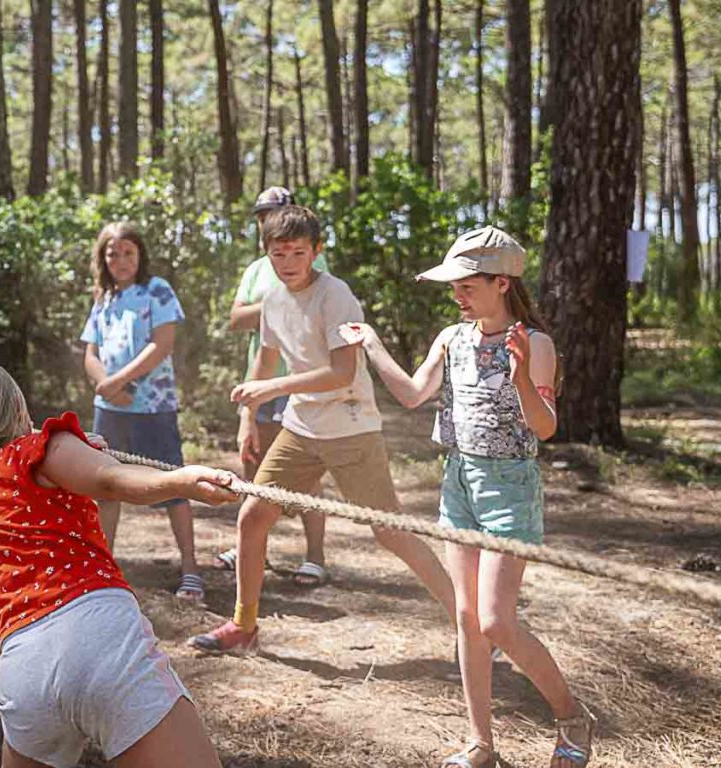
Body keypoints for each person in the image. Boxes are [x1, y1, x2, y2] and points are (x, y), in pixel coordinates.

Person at [338, 226, 594, 768]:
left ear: (502, 282)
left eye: (466, 284)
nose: (457, 294)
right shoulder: (452, 338)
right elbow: (411, 393)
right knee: (465, 616)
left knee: (496, 621)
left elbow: (545, 428)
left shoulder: (535, 343)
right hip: (458, 483)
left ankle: (572, 717)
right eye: (453, 285)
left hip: (509, 487)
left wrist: (523, 373)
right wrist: (372, 344)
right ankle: (482, 744)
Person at [0, 359, 233, 768]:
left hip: (24, 670)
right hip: (100, 640)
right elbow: (111, 480)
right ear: (19, 409)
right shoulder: (40, 449)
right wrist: (179, 481)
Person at [188, 205, 456, 655]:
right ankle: (243, 626)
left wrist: (270, 387)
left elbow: (340, 372)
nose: (288, 262)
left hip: (350, 425)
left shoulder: (336, 296)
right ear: (266, 255)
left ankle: (470, 625)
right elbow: (266, 358)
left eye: (297, 252)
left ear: (315, 252)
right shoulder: (271, 298)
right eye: (278, 253)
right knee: (253, 517)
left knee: (390, 532)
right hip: (301, 425)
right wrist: (248, 417)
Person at [81, 222, 205, 602]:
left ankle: (190, 569)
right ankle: (103, 567)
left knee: (173, 483)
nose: (120, 260)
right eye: (112, 253)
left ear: (140, 254)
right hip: (111, 410)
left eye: (128, 253)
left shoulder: (158, 290)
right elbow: (91, 352)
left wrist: (117, 381)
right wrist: (106, 386)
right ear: (103, 258)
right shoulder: (103, 297)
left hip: (153, 407)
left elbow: (161, 345)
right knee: (106, 488)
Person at [218, 186, 330, 587]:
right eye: (263, 213)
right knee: (252, 460)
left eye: (278, 210)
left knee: (306, 471)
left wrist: (283, 299)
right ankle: (249, 548)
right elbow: (236, 319)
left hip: (302, 379)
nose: (270, 217)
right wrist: (277, 301)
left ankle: (315, 556)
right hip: (261, 378)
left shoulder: (312, 258)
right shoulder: (256, 268)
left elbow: (316, 306)